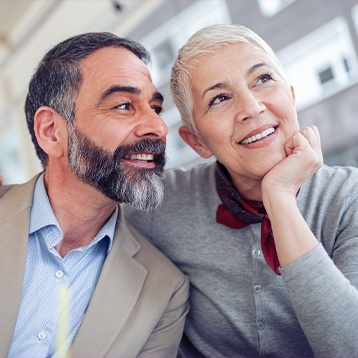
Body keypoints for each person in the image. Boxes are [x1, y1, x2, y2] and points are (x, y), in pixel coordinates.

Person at [126, 24, 358, 357]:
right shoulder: (161, 204)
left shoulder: (349, 197)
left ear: (290, 95)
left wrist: (279, 198)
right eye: (219, 98)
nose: (252, 108)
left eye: (263, 79)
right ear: (197, 142)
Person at [0, 32, 189, 358]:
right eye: (123, 105)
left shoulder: (164, 293)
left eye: (155, 107)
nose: (158, 127)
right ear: (52, 132)